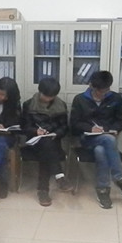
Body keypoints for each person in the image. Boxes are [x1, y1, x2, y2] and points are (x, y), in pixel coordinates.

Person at [69, 70, 122, 209]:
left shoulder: (115, 98)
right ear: (91, 86)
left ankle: (103, 190)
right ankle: (120, 178)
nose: (104, 94)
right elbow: (74, 124)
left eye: (106, 90)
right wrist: (90, 128)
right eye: (101, 91)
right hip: (87, 139)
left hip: (106, 139)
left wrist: (114, 129)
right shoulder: (80, 99)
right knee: (109, 140)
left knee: (101, 150)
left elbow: (121, 120)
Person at [21, 77, 73, 206]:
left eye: (52, 97)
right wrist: (36, 131)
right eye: (46, 96)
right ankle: (59, 177)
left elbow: (64, 127)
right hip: (34, 143)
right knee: (47, 147)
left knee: (47, 147)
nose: (49, 99)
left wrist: (56, 133)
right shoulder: (29, 105)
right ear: (40, 92)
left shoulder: (60, 105)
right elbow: (24, 127)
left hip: (53, 141)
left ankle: (43, 191)